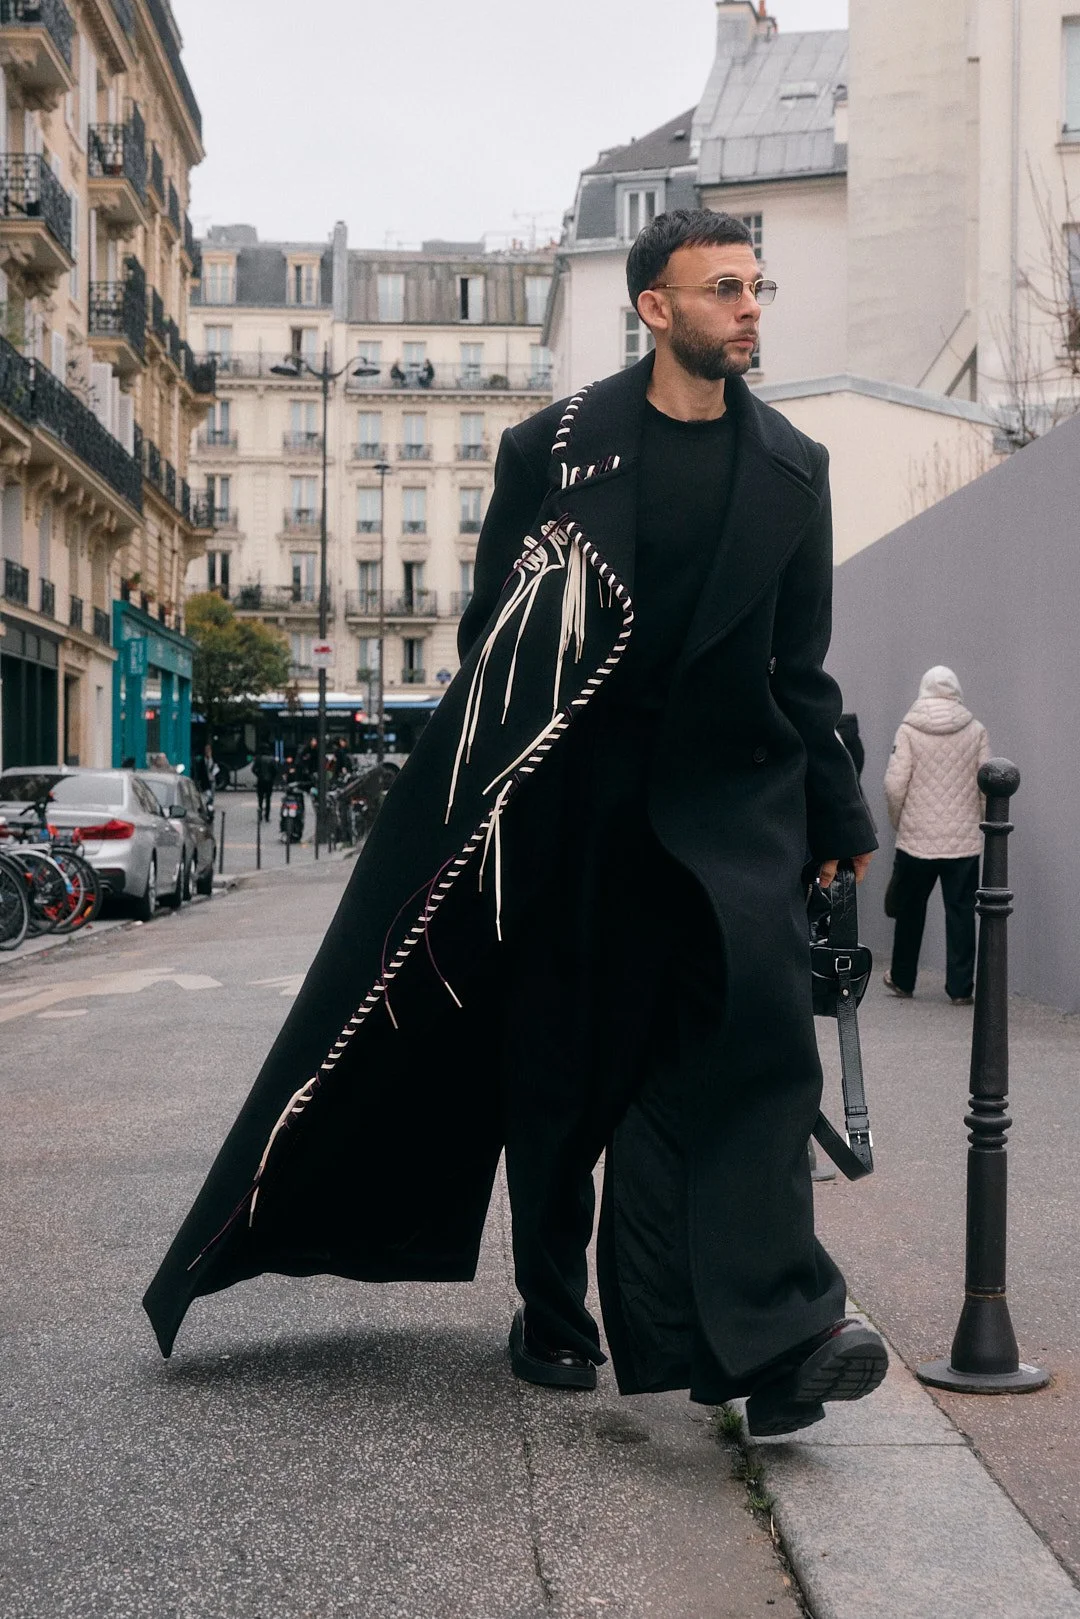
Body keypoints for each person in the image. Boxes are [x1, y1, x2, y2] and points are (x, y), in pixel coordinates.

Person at [145, 209, 885, 1439]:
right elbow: (490, 632)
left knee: (747, 1063)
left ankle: (776, 1335)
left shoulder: (794, 468)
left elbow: (797, 670)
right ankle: (554, 1312)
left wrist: (833, 813)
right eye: (724, 289)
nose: (752, 307)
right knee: (562, 1078)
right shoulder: (553, 447)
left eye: (758, 285)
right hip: (573, 812)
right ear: (655, 307)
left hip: (728, 823)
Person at [883, 666, 990, 1005]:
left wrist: (900, 822)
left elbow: (894, 785)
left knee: (910, 910)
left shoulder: (909, 729)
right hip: (963, 841)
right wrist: (980, 821)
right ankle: (960, 989)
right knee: (960, 913)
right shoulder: (975, 730)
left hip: (917, 839)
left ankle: (902, 979)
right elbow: (987, 787)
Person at [251, 749, 278, 823]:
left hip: (261, 781)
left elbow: (253, 769)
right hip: (269, 782)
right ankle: (267, 816)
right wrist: (272, 778)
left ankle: (259, 816)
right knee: (268, 799)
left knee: (260, 799)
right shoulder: (272, 759)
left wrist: (258, 775)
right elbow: (276, 770)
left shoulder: (258, 759)